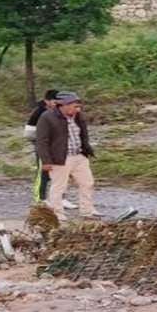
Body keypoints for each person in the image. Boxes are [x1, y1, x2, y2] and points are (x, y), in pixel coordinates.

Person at [34, 91, 97, 220]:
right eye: (75, 106)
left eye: (78, 106)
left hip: (79, 155)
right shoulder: (47, 117)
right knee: (59, 187)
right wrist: (46, 160)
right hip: (60, 158)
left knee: (87, 183)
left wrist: (86, 150)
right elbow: (42, 141)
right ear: (64, 105)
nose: (78, 109)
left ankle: (87, 211)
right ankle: (57, 213)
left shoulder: (78, 116)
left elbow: (83, 134)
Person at [25, 89, 75, 209]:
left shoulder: (62, 111)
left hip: (59, 147)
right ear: (46, 101)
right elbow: (28, 133)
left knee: (61, 173)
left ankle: (60, 198)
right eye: (54, 102)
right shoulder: (39, 112)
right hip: (43, 147)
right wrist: (41, 144)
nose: (57, 105)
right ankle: (40, 199)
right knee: (43, 173)